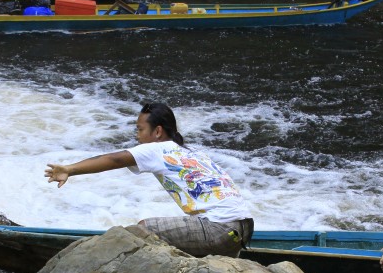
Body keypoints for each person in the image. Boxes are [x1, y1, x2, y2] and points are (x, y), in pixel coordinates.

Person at [44, 102, 253, 257]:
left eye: (140, 129)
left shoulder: (156, 148)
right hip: (243, 228)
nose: (137, 136)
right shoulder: (192, 152)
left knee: (142, 230)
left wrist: (70, 169)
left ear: (158, 131)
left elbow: (114, 159)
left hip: (219, 229)